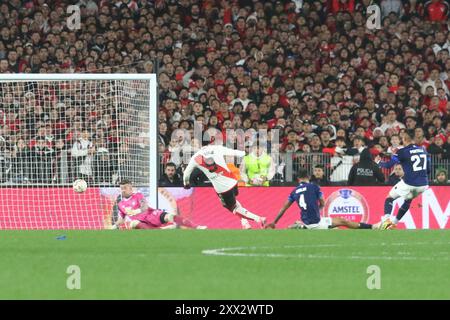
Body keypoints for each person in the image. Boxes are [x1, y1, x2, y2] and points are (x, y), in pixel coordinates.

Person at [183, 143, 266, 229]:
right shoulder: (216, 148)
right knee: (234, 202)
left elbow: (186, 174)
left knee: (232, 208)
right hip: (233, 181)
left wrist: (186, 184)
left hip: (223, 188)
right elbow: (232, 152)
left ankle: (258, 219)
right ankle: (245, 223)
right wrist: (244, 153)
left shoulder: (195, 158)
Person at [266, 169, 376, 230]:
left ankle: (300, 226)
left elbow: (283, 208)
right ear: (309, 177)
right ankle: (372, 227)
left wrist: (274, 222)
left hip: (306, 220)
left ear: (298, 179)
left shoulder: (294, 191)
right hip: (317, 223)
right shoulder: (314, 186)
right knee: (343, 221)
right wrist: (319, 208)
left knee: (301, 223)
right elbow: (322, 202)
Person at [376, 130, 430, 229]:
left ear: (404, 139)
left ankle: (387, 220)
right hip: (423, 185)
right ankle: (395, 223)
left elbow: (388, 166)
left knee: (389, 198)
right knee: (408, 200)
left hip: (410, 183)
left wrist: (378, 162)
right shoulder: (423, 150)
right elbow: (429, 169)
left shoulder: (402, 151)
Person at [111, 179, 205, 230]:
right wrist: (115, 226)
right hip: (142, 223)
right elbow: (121, 219)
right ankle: (161, 231)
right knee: (133, 223)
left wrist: (135, 211)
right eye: (121, 188)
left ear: (130, 188)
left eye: (125, 188)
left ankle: (197, 227)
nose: (123, 190)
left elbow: (144, 207)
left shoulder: (138, 195)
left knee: (171, 216)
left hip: (151, 215)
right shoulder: (120, 204)